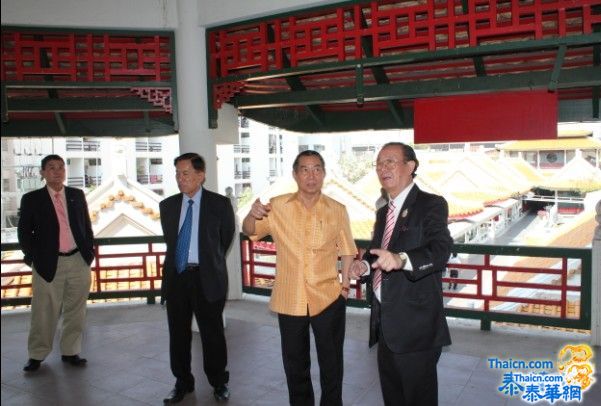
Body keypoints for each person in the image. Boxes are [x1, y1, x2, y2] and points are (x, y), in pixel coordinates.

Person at [242, 150, 357, 406]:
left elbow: (348, 249)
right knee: (295, 365)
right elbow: (250, 231)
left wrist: (345, 287)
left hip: (329, 297)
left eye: (317, 169)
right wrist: (251, 215)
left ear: (324, 174)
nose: (311, 175)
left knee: (332, 363)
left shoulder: (337, 209)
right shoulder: (278, 205)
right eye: (305, 169)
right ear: (295, 174)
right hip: (290, 298)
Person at [349, 142, 453, 406]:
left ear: (410, 166)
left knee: (418, 399)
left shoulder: (431, 204)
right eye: (379, 163)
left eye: (390, 162)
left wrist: (402, 259)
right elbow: (377, 252)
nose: (383, 168)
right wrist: (364, 267)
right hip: (385, 323)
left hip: (416, 326)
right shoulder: (384, 211)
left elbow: (441, 250)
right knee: (393, 396)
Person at [159, 153, 235, 404]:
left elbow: (224, 239)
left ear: (201, 175)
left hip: (207, 278)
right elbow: (171, 243)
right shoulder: (168, 206)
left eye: (186, 173)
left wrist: (208, 262)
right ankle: (182, 382)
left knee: (212, 334)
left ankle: (219, 382)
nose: (180, 179)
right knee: (178, 334)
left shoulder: (220, 204)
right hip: (177, 278)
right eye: (177, 174)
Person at [17, 154, 95, 372]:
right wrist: (33, 258)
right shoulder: (32, 199)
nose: (57, 171)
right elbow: (24, 233)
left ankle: (71, 351)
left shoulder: (76, 195)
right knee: (44, 311)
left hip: (78, 260)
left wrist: (89, 252)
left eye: (61, 167)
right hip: (48, 263)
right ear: (42, 173)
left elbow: (86, 225)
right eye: (51, 167)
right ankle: (37, 354)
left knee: (76, 310)